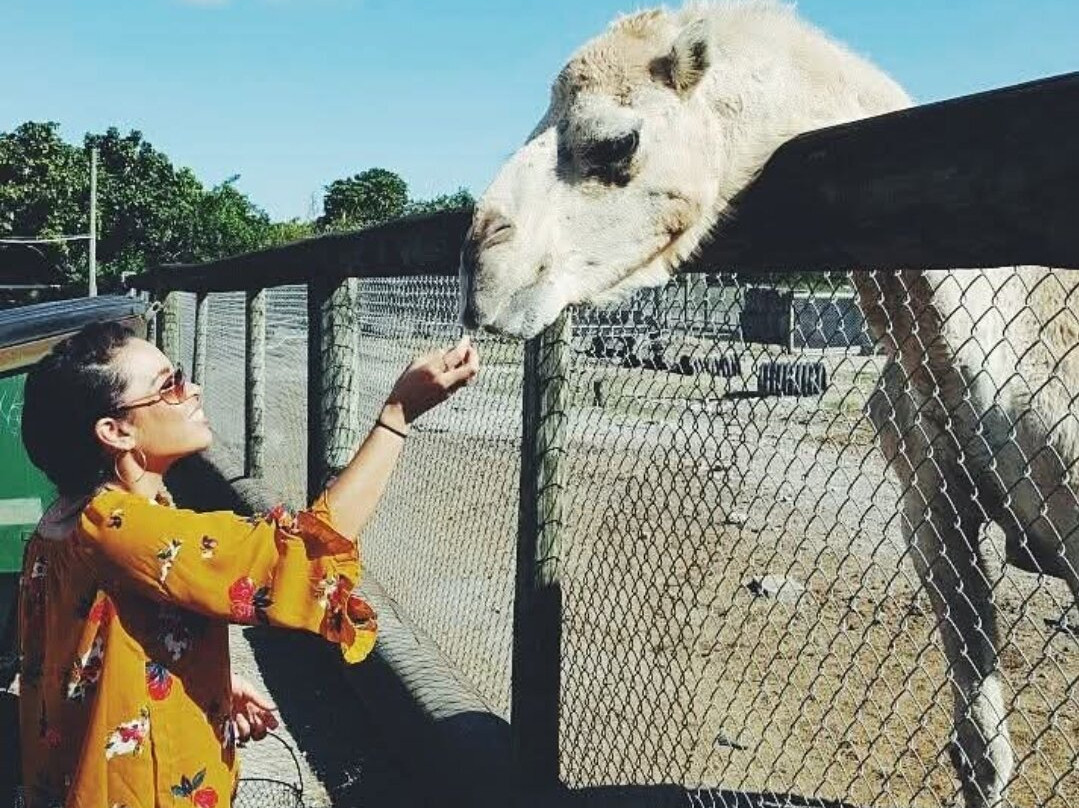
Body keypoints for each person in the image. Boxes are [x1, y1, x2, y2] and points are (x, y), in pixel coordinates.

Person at [15, 320, 480, 808]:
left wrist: (205, 677)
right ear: (116, 431)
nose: (191, 389)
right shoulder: (120, 527)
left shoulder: (64, 522)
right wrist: (397, 416)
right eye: (168, 385)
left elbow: (84, 653)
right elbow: (294, 555)